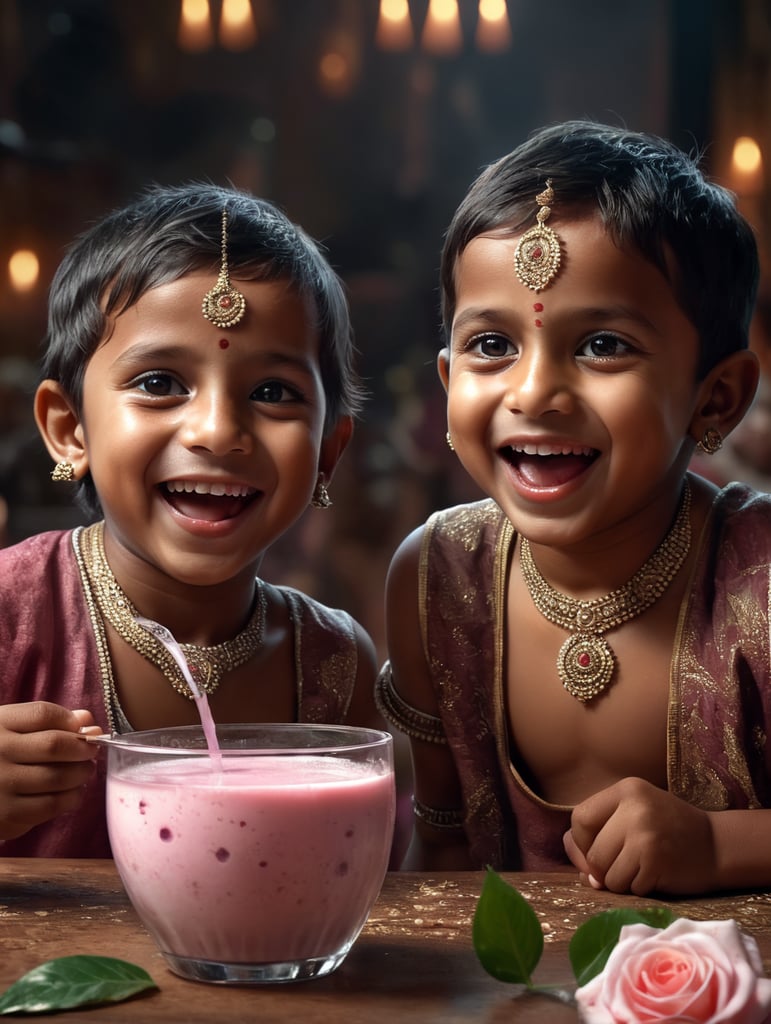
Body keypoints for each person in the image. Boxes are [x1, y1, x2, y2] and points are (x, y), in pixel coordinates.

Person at [377, 120, 771, 896]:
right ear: (447, 378)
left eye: (601, 346)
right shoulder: (436, 577)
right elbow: (442, 849)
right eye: (492, 347)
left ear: (715, 394)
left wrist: (720, 847)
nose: (531, 393)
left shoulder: (757, 582)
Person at [0, 182, 381, 856]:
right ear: (69, 429)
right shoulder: (13, 613)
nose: (216, 431)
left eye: (272, 393)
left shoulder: (334, 663)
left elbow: (360, 885)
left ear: (328, 451)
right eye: (159, 384)